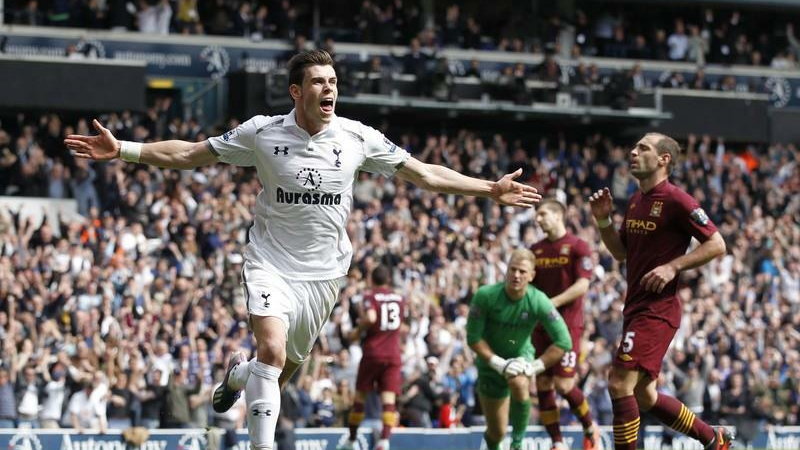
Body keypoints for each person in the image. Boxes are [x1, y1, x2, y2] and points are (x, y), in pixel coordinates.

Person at [64, 49, 541, 450]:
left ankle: (237, 377)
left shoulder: (358, 138)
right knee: (271, 351)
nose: (329, 89)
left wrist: (487, 189)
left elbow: (425, 174)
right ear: (297, 91)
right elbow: (191, 154)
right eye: (318, 81)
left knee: (280, 370)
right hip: (270, 260)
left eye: (333, 81)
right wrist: (124, 149)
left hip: (324, 274)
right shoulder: (262, 133)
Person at [587, 133, 731, 450]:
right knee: (644, 395)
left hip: (658, 309)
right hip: (635, 307)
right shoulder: (637, 201)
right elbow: (620, 252)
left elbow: (717, 244)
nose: (633, 152)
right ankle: (714, 439)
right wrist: (603, 221)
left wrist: (673, 267)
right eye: (634, 146)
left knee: (618, 382)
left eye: (643, 148)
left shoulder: (678, 200)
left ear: (663, 159)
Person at [466, 248, 573, 450]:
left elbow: (564, 341)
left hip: (520, 357)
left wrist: (536, 366)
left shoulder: (538, 300)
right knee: (496, 432)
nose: (516, 275)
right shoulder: (485, 296)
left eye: (522, 272)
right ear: (506, 270)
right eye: (512, 269)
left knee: (519, 382)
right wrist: (497, 362)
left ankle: (517, 444)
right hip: (489, 366)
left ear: (531, 276)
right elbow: (473, 337)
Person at [531, 198, 603, 450]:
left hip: (568, 326)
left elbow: (583, 285)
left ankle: (590, 428)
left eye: (542, 215)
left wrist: (552, 303)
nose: (537, 220)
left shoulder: (577, 246)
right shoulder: (535, 250)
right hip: (540, 328)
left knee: (564, 385)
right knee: (542, 384)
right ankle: (557, 443)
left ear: (558, 215)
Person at [341, 265, 406, 450]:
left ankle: (352, 440)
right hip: (393, 353)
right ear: (388, 280)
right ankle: (385, 440)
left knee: (360, 397)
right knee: (389, 400)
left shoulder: (370, 297)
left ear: (371, 280)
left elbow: (370, 317)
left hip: (373, 352)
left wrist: (357, 331)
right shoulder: (399, 298)